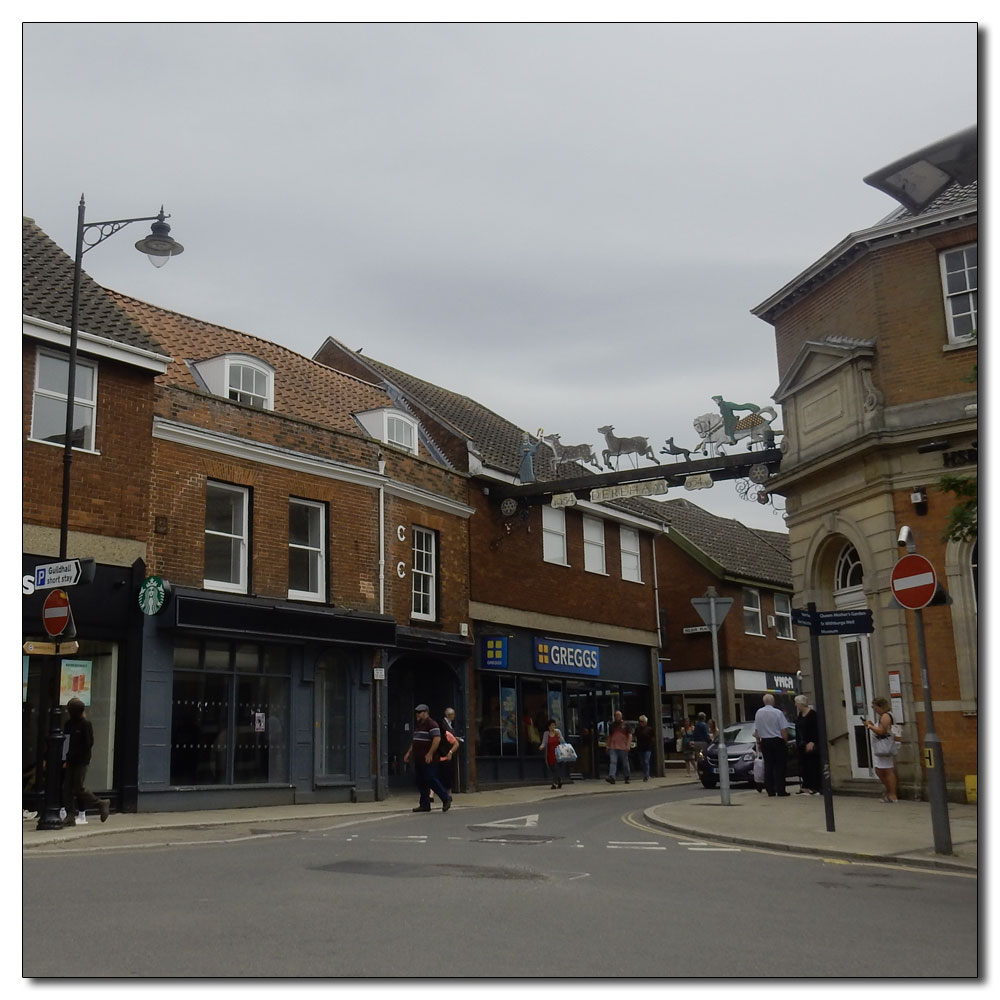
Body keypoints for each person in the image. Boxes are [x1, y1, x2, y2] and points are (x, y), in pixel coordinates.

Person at [61, 698, 110, 826]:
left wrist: (76, 755)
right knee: (66, 789)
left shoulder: (85, 724)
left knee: (78, 787)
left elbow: (88, 743)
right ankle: (70, 815)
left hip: (81, 761)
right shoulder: (68, 724)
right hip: (70, 760)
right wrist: (65, 758)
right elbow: (66, 742)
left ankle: (100, 803)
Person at [402, 704, 452, 812]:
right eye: (417, 713)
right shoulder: (419, 725)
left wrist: (430, 753)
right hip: (419, 759)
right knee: (421, 781)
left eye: (420, 712)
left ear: (426, 713)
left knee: (430, 779)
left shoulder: (432, 724)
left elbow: (437, 739)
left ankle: (446, 798)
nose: (417, 715)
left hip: (429, 759)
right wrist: (408, 753)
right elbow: (415, 741)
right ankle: (425, 804)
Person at [753, 694, 790, 797]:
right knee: (779, 766)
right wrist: (785, 741)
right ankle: (780, 789)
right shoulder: (778, 713)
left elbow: (757, 730)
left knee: (768, 766)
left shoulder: (758, 713)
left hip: (765, 741)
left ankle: (770, 790)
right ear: (773, 701)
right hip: (777, 741)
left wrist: (759, 742)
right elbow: (784, 729)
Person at [864, 696, 899, 803]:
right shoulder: (885, 716)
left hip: (885, 746)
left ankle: (892, 794)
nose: (874, 710)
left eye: (875, 707)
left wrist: (870, 726)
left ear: (880, 706)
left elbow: (882, 731)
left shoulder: (886, 716)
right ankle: (890, 793)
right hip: (883, 747)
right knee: (880, 770)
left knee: (887, 770)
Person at [794, 694, 821, 795]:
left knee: (812, 765)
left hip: (811, 743)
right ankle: (806, 785)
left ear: (801, 704)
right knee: (803, 765)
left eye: (796, 703)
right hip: (802, 744)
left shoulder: (813, 715)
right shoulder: (800, 715)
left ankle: (814, 786)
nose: (796, 705)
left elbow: (816, 729)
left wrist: (812, 742)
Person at [539, 719, 568, 789]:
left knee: (556, 768)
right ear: (548, 727)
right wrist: (541, 746)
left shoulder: (557, 732)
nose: (553, 727)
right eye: (551, 725)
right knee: (553, 769)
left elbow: (563, 742)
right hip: (549, 754)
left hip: (557, 753)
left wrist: (559, 736)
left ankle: (554, 783)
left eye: (554, 725)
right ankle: (559, 780)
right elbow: (544, 742)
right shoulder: (546, 733)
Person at [605, 711, 632, 784]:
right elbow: (610, 736)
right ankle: (612, 777)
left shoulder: (626, 725)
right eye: (616, 715)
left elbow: (629, 735)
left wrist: (628, 745)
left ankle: (627, 776)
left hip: (623, 747)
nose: (617, 717)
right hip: (613, 747)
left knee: (625, 763)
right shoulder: (612, 725)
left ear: (621, 716)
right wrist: (608, 745)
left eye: (618, 715)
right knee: (613, 762)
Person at [635, 715, 654, 781]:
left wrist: (651, 744)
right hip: (640, 747)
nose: (641, 723)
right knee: (642, 762)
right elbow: (636, 737)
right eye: (640, 721)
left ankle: (647, 775)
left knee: (646, 761)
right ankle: (645, 773)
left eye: (642, 721)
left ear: (646, 722)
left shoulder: (649, 729)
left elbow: (652, 737)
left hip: (647, 747)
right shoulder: (637, 729)